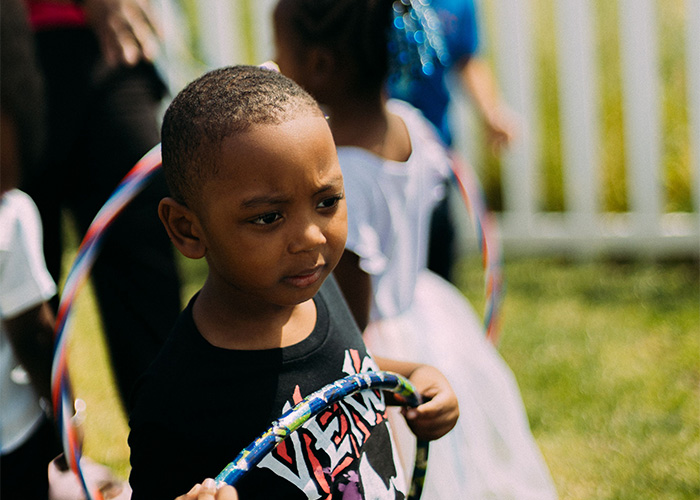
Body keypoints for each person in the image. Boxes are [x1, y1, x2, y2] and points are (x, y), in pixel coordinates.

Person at [127, 65, 459, 500]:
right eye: (268, 217)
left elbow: (341, 367)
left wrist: (414, 376)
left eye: (327, 202)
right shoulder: (177, 400)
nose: (311, 237)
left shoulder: (317, 286)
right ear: (188, 229)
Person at [272, 0, 558, 498]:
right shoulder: (410, 125)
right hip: (429, 317)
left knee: (400, 471)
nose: (274, 66)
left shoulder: (341, 179)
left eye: (281, 55)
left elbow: (349, 327)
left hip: (386, 348)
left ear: (319, 65)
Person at [20, 0, 182, 407]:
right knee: (20, 276)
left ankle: (171, 447)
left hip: (98, 41)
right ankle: (43, 454)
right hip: (13, 44)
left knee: (147, 225)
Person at [388, 0, 518, 282]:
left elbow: (467, 59)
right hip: (375, 153)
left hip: (434, 152)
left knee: (437, 249)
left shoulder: (459, 3)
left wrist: (491, 112)